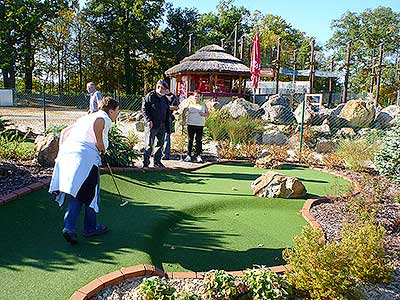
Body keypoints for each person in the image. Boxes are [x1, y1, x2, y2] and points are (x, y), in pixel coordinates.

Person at [49, 96, 120, 244]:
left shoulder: (87, 117)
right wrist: (101, 147)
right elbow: (98, 123)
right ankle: (86, 228)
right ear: (111, 111)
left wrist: (62, 152)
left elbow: (64, 132)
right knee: (88, 194)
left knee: (79, 192)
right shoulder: (103, 117)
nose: (118, 114)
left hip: (69, 155)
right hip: (85, 159)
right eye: (117, 111)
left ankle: (78, 227)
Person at [142, 79, 170, 168]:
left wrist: (167, 124)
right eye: (163, 89)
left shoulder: (164, 98)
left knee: (160, 145)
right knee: (149, 145)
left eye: (165, 89)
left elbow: (167, 111)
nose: (164, 91)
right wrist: (148, 120)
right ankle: (146, 163)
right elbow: (144, 109)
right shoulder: (150, 96)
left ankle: (157, 162)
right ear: (158, 87)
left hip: (162, 125)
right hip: (152, 125)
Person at [181, 90, 209, 163]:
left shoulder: (203, 104)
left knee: (198, 140)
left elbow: (207, 113)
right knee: (190, 140)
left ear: (200, 97)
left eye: (198, 96)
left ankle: (198, 155)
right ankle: (188, 155)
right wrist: (183, 120)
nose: (197, 98)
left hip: (200, 125)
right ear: (193, 96)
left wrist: (203, 114)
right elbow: (184, 111)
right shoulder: (190, 103)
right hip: (191, 124)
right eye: (195, 96)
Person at [162, 90, 179, 160]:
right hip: (159, 118)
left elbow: (176, 107)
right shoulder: (159, 95)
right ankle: (157, 154)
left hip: (168, 117)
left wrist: (166, 107)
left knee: (167, 136)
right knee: (158, 137)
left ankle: (166, 155)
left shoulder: (172, 96)